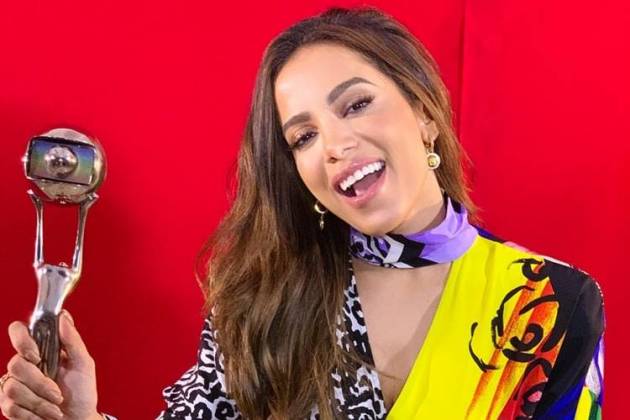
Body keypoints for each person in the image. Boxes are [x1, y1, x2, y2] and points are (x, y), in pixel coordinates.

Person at [0, 7, 604, 420]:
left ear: (423, 111)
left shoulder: (549, 304)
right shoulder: (265, 296)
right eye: (304, 137)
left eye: (356, 104)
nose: (335, 144)